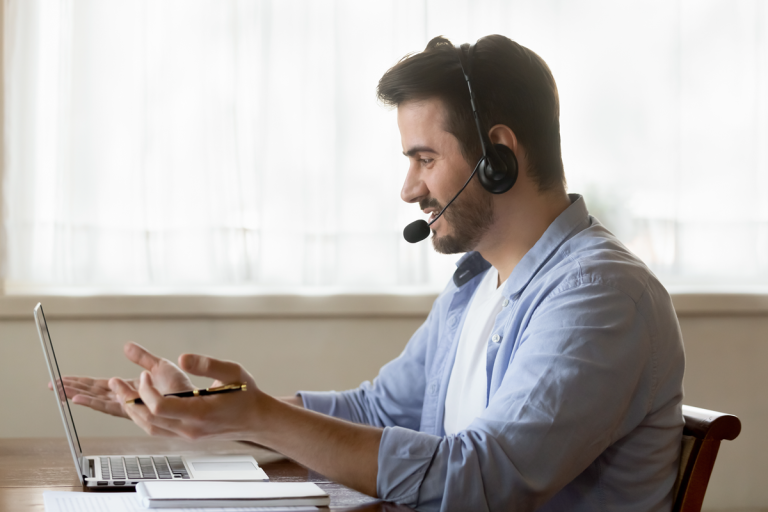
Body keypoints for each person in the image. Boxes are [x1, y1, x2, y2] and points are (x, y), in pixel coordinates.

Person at [55, 35, 685, 511]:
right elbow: (377, 408)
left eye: (425, 158)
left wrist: (258, 417)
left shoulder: (599, 295)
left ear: (498, 155)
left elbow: (483, 478)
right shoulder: (478, 285)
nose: (409, 188)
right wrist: (221, 408)